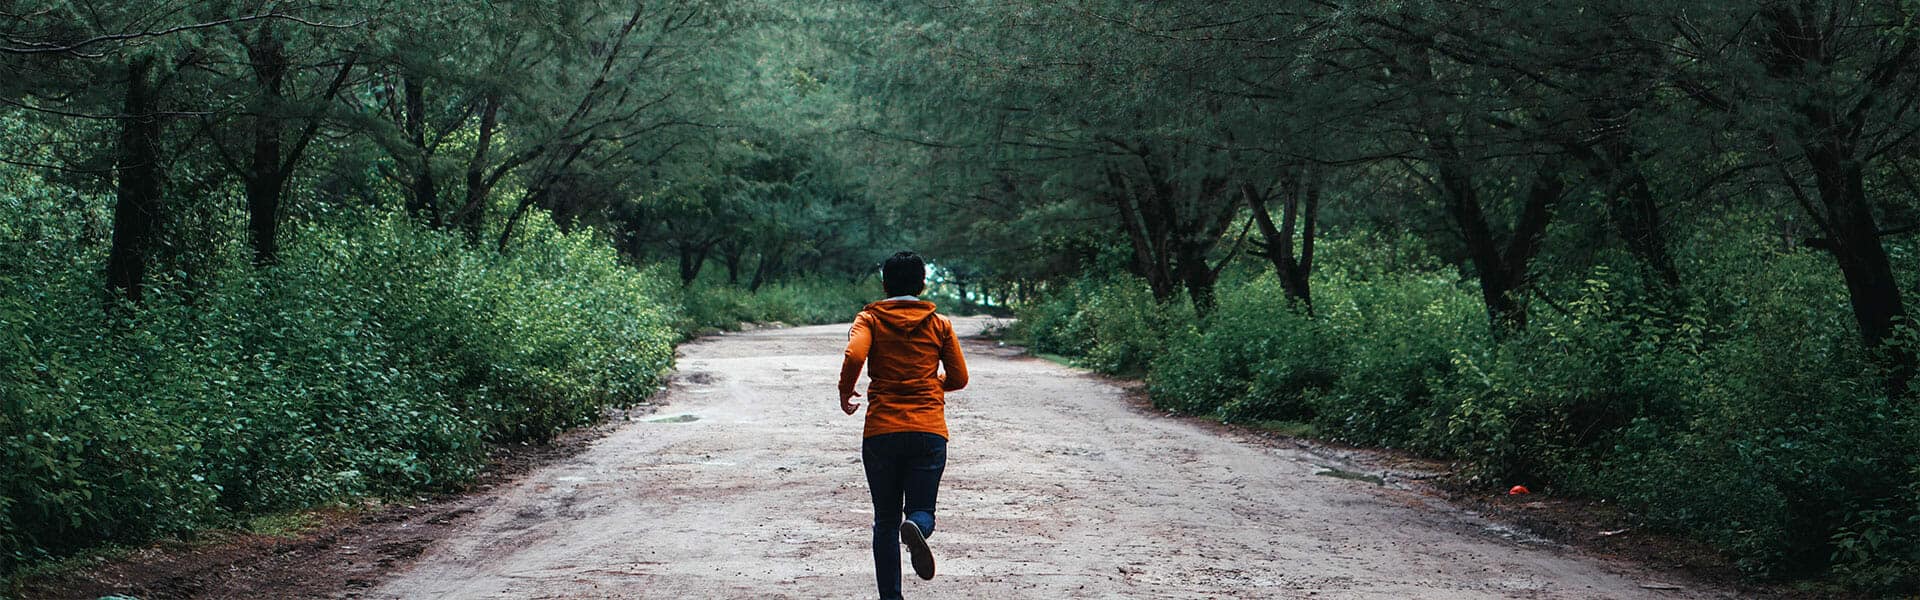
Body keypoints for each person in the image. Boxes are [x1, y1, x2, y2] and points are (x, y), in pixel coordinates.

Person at [838, 251, 968, 600]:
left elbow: (854, 354)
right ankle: (918, 528)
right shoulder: (939, 324)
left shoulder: (870, 319)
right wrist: (932, 384)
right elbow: (959, 377)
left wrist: (846, 389)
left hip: (882, 431)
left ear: (884, 285)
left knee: (884, 520)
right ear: (923, 284)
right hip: (928, 429)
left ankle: (891, 598)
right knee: (923, 510)